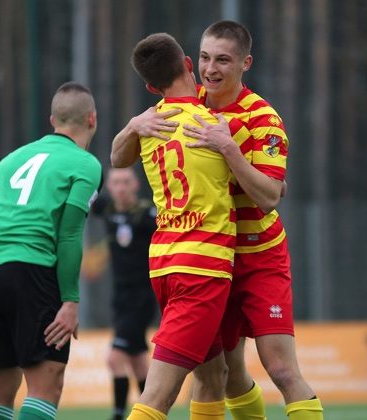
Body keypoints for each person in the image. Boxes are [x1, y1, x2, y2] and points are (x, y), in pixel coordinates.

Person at [115, 21, 324, 420]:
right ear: (194, 61)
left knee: (280, 368)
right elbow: (120, 157)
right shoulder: (187, 103)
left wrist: (229, 150)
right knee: (222, 376)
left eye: (223, 60)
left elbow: (267, 198)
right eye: (206, 57)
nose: (211, 69)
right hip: (212, 258)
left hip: (258, 257)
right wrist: (133, 126)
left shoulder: (263, 118)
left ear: (245, 63)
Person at [111, 32, 236, 420]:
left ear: (150, 86)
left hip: (165, 263)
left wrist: (132, 125)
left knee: (214, 375)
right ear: (187, 63)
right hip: (201, 267)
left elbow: (116, 159)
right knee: (156, 398)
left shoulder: (151, 123)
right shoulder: (213, 125)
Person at [0, 81, 103, 420]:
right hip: (30, 271)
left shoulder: (6, 162)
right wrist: (71, 301)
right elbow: (70, 235)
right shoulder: (85, 164)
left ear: (52, 120)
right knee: (47, 386)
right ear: (92, 119)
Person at [89, 167, 158, 420]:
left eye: (125, 182)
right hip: (120, 297)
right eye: (115, 182)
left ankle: (118, 414)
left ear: (135, 185)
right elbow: (86, 193)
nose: (120, 187)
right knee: (138, 361)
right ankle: (154, 410)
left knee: (115, 357)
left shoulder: (147, 215)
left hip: (141, 297)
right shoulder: (107, 209)